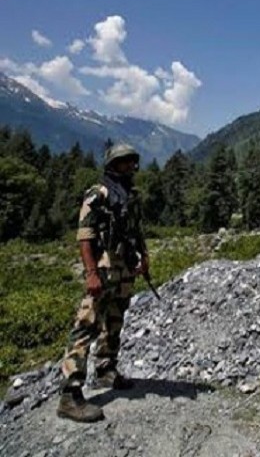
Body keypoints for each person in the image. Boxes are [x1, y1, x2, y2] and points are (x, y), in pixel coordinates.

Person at [57, 143, 150, 423]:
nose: (129, 167)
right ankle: (69, 395)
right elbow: (84, 235)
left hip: (124, 268)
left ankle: (106, 369)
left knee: (115, 320)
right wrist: (91, 273)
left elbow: (137, 230)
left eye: (131, 162)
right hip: (103, 267)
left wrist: (144, 257)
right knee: (87, 325)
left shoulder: (131, 195)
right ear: (112, 165)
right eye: (123, 162)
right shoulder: (97, 194)